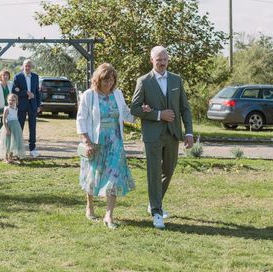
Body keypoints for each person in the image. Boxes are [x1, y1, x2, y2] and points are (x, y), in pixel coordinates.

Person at [130, 46, 194, 229]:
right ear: (152, 60)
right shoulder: (143, 81)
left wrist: (188, 132)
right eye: (159, 59)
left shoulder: (176, 80)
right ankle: (157, 212)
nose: (162, 62)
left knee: (169, 170)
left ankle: (154, 202)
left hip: (173, 134)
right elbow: (134, 109)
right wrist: (158, 115)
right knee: (153, 172)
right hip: (152, 136)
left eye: (165, 59)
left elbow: (185, 108)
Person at [76, 63, 136, 229]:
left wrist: (140, 113)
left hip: (115, 141)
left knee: (114, 176)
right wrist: (86, 141)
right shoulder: (89, 95)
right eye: (106, 80)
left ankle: (109, 215)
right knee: (93, 175)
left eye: (112, 80)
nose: (109, 83)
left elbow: (125, 113)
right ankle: (89, 205)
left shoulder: (117, 94)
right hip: (96, 141)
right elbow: (81, 119)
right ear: (98, 79)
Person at [12, 59, 41, 158]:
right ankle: (19, 149)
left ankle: (32, 149)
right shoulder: (17, 77)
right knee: (20, 127)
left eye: (29, 66)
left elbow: (37, 92)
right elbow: (14, 92)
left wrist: (38, 105)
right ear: (23, 66)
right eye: (26, 66)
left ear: (31, 67)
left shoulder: (35, 77)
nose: (27, 67)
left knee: (32, 128)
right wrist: (25, 92)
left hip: (33, 105)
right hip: (21, 106)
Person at [0, 93, 26, 163]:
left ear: (16, 101)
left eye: (13, 100)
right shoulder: (7, 109)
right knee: (8, 142)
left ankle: (11, 158)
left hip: (16, 127)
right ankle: (6, 158)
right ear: (7, 100)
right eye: (10, 100)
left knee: (14, 142)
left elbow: (15, 118)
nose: (11, 101)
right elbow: (4, 120)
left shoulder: (16, 109)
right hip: (9, 127)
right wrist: (7, 129)